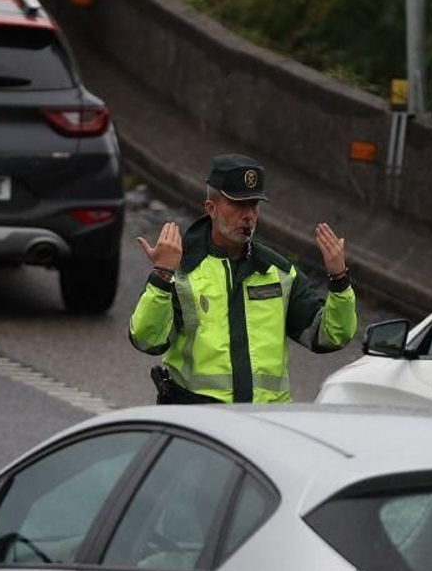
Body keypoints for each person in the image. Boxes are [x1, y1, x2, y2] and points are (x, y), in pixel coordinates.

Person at [128, 154, 357, 404]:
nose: (248, 215)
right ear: (211, 208)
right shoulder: (182, 271)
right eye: (238, 205)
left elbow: (330, 336)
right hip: (199, 423)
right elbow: (146, 339)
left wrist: (339, 279)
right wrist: (162, 274)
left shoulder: (278, 272)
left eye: (254, 205)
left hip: (265, 426)